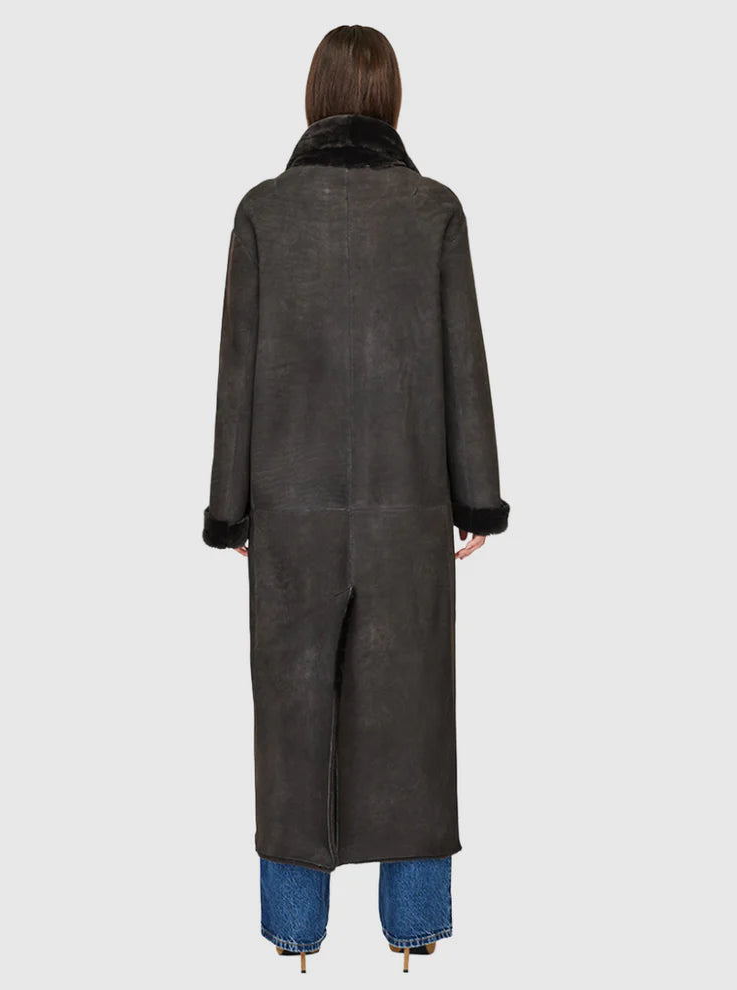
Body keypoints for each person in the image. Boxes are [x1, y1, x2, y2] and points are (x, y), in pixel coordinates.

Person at [202, 24, 510, 972]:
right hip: (406, 511)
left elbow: (237, 372)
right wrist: (477, 499)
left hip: (288, 517)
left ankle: (296, 936)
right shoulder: (434, 210)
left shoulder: (264, 211)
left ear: (315, 96)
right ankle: (413, 931)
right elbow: (463, 362)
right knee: (412, 720)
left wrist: (231, 510)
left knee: (291, 720)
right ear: (391, 99)